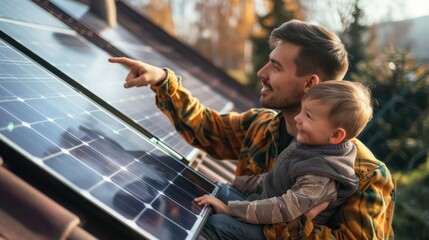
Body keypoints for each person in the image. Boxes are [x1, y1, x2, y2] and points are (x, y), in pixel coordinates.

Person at [109, 19, 395, 239]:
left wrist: (282, 224)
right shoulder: (261, 127)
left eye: (276, 67)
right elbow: (205, 127)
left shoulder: (366, 175)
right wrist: (162, 80)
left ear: (309, 84)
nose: (262, 73)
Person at [193, 80, 371, 240]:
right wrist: (241, 183)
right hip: (265, 215)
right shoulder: (313, 144)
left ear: (336, 135)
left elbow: (284, 208)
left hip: (275, 232)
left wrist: (230, 210)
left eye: (308, 116)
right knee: (219, 190)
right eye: (302, 110)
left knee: (216, 224)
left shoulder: (322, 175)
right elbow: (276, 177)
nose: (297, 118)